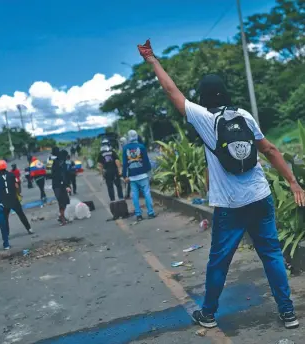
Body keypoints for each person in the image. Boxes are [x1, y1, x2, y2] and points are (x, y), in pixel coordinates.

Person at [137, 39, 305, 329]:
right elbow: (271, 150)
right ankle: (288, 312)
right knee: (272, 255)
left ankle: (208, 314)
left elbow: (170, 90)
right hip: (260, 196)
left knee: (219, 261)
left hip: (230, 205)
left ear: (204, 96)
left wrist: (152, 59)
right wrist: (294, 182)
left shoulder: (203, 118)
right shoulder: (244, 115)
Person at [122, 130, 156, 221]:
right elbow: (146, 162)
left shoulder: (125, 148)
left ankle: (138, 215)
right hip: (143, 175)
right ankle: (151, 213)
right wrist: (150, 174)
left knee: (135, 195)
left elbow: (125, 163)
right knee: (147, 193)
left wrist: (124, 176)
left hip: (132, 177)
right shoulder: (141, 147)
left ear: (128, 137)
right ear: (136, 136)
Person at [0, 160, 34, 235]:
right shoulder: (11, 175)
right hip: (13, 198)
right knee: (21, 214)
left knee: (5, 218)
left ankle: (6, 233)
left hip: (3, 200)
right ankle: (29, 228)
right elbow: (17, 185)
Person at [51, 147, 71, 226]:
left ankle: (61, 216)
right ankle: (62, 219)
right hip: (58, 185)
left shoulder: (61, 163)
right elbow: (63, 175)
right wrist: (66, 184)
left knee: (65, 201)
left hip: (59, 184)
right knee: (62, 202)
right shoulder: (60, 163)